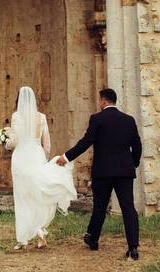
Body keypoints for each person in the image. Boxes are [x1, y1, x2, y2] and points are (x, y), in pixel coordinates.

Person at [57, 88, 143, 261]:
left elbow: (85, 142)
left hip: (102, 171)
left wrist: (66, 157)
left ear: (103, 101)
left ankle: (93, 239)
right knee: (128, 208)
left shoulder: (97, 119)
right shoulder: (129, 120)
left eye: (100, 100)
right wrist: (132, 163)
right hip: (124, 171)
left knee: (100, 207)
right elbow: (137, 146)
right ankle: (133, 248)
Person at [9, 86, 77, 250]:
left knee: (22, 197)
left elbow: (14, 142)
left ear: (19, 100)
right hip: (36, 156)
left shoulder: (16, 117)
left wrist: (6, 142)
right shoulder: (41, 117)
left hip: (20, 157)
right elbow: (47, 144)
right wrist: (45, 160)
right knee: (37, 195)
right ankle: (39, 232)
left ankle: (23, 238)